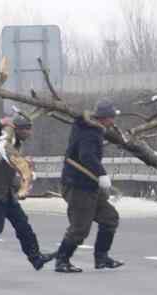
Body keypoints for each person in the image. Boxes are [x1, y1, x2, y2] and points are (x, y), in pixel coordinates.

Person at [55, 100, 124, 273]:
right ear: (104, 118)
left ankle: (101, 258)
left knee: (109, 218)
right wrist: (101, 173)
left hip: (89, 185)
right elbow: (86, 156)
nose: (113, 122)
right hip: (78, 186)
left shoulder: (90, 127)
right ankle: (62, 261)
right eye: (112, 118)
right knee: (80, 228)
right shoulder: (89, 132)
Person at [0, 114, 55, 270]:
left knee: (23, 225)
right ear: (17, 129)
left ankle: (36, 258)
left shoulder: (15, 145)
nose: (29, 132)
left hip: (7, 193)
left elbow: (7, 174)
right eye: (26, 129)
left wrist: (23, 183)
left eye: (30, 128)